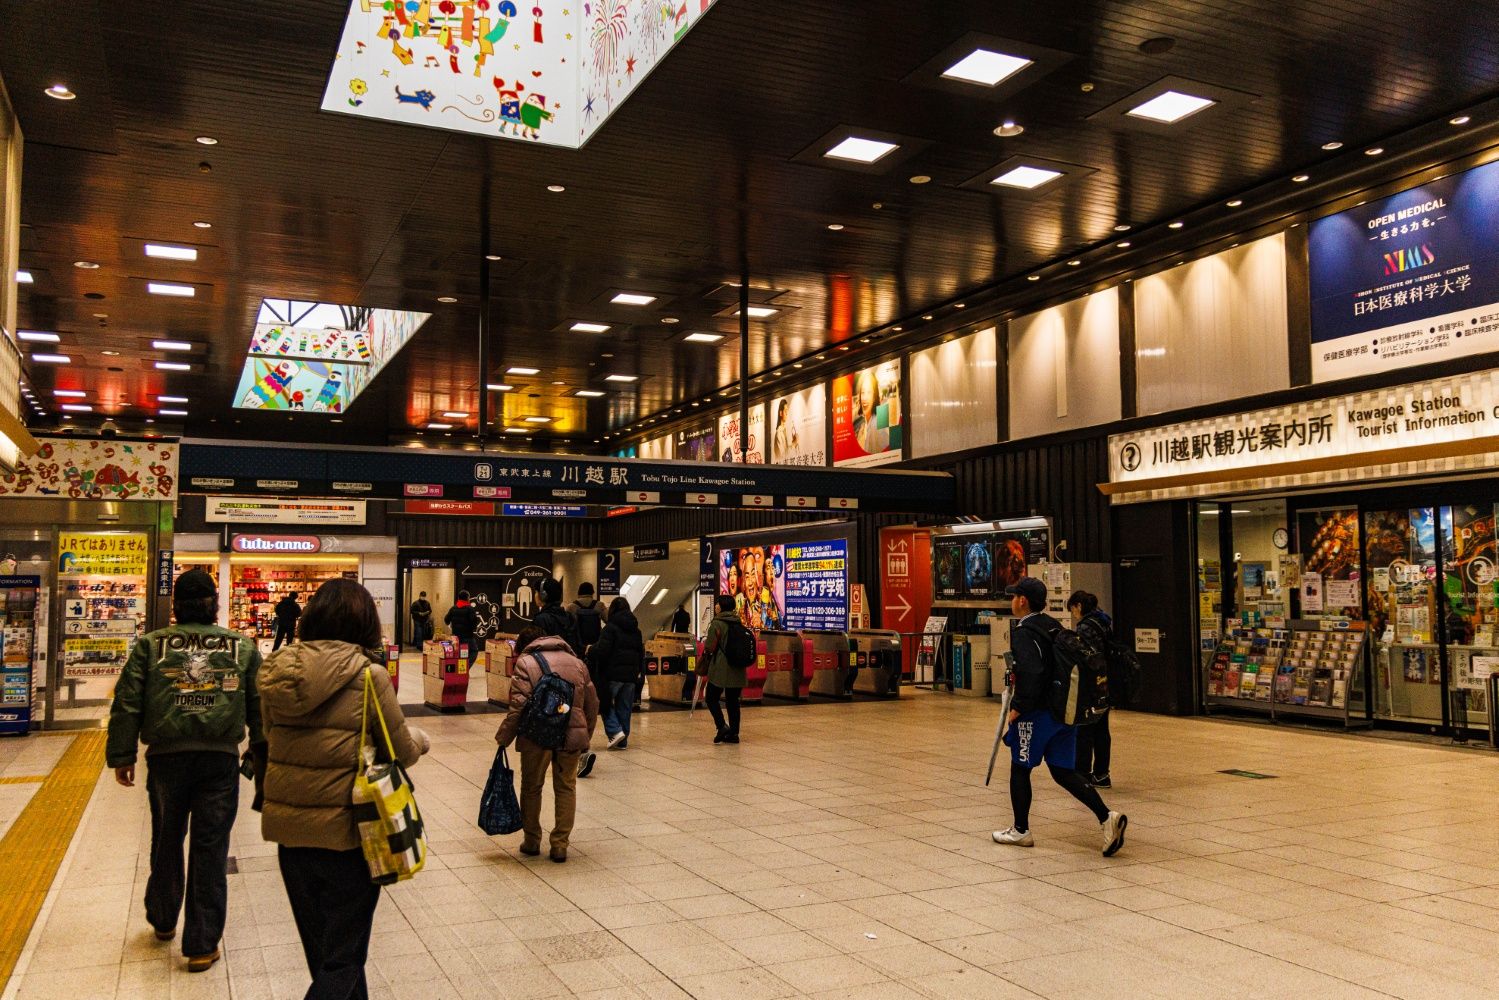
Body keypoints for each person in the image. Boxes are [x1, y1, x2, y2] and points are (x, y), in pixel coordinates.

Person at [258, 578, 430, 999]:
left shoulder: (275, 673)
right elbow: (401, 750)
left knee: (325, 955)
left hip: (290, 835)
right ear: (365, 623)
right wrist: (422, 739)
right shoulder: (369, 676)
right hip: (350, 834)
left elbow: (267, 739)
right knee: (343, 959)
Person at [105, 568, 262, 973]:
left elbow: (127, 702)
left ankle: (162, 918)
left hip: (166, 757)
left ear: (176, 604)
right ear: (214, 603)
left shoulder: (150, 646)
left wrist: (122, 755)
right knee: (211, 848)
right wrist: (261, 753)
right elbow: (260, 705)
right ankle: (201, 943)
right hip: (219, 758)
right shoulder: (240, 647)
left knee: (166, 837)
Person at [993, 577, 1127, 857]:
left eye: (1013, 596)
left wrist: (1018, 707)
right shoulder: (1053, 625)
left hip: (1037, 715)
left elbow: (1033, 673)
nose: (1011, 601)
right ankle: (1107, 817)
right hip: (1064, 714)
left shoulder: (1024, 631)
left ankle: (1020, 830)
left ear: (1022, 600)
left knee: (1020, 767)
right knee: (1063, 771)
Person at [495, 626, 598, 863]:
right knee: (566, 787)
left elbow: (518, 707)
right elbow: (592, 704)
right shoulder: (577, 663)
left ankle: (532, 840)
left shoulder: (525, 663)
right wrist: (585, 735)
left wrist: (504, 737)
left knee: (532, 786)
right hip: (571, 736)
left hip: (536, 736)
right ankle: (560, 844)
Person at [1069, 590, 1116, 788]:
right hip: (1105, 682)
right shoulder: (1103, 622)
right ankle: (1102, 774)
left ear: (1079, 606)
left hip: (1090, 685)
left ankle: (1082, 773)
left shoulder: (1086, 627)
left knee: (1085, 729)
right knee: (1102, 730)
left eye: (1072, 610)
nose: (1073, 615)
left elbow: (1085, 657)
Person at [589, 596, 645, 750]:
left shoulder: (610, 628)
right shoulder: (636, 631)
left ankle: (615, 731)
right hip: (631, 675)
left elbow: (602, 651)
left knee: (604, 703)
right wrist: (638, 671)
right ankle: (623, 740)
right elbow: (641, 653)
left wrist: (590, 649)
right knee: (625, 707)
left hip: (612, 675)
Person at [701, 595, 746, 744]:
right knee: (733, 701)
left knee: (711, 698)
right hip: (738, 667)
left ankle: (721, 726)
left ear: (722, 606)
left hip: (721, 667)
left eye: (718, 604)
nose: (715, 606)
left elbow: (709, 647)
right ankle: (734, 733)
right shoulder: (738, 622)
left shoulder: (717, 624)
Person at [533, 578, 584, 656]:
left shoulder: (541, 619)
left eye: (536, 592)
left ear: (544, 595)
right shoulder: (570, 617)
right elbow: (578, 647)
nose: (535, 595)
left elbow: (536, 649)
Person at [445, 590, 480, 668]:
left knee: (459, 653)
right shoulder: (470, 609)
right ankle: (465, 668)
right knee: (474, 651)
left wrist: (451, 626)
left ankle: (459, 671)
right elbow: (474, 622)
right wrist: (472, 629)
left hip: (456, 637)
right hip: (468, 637)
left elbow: (446, 620)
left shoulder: (453, 608)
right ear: (467, 598)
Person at [567, 582, 605, 653]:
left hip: (578, 644)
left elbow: (567, 626)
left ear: (579, 592)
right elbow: (609, 620)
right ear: (592, 592)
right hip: (596, 643)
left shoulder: (571, 607)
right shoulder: (600, 605)